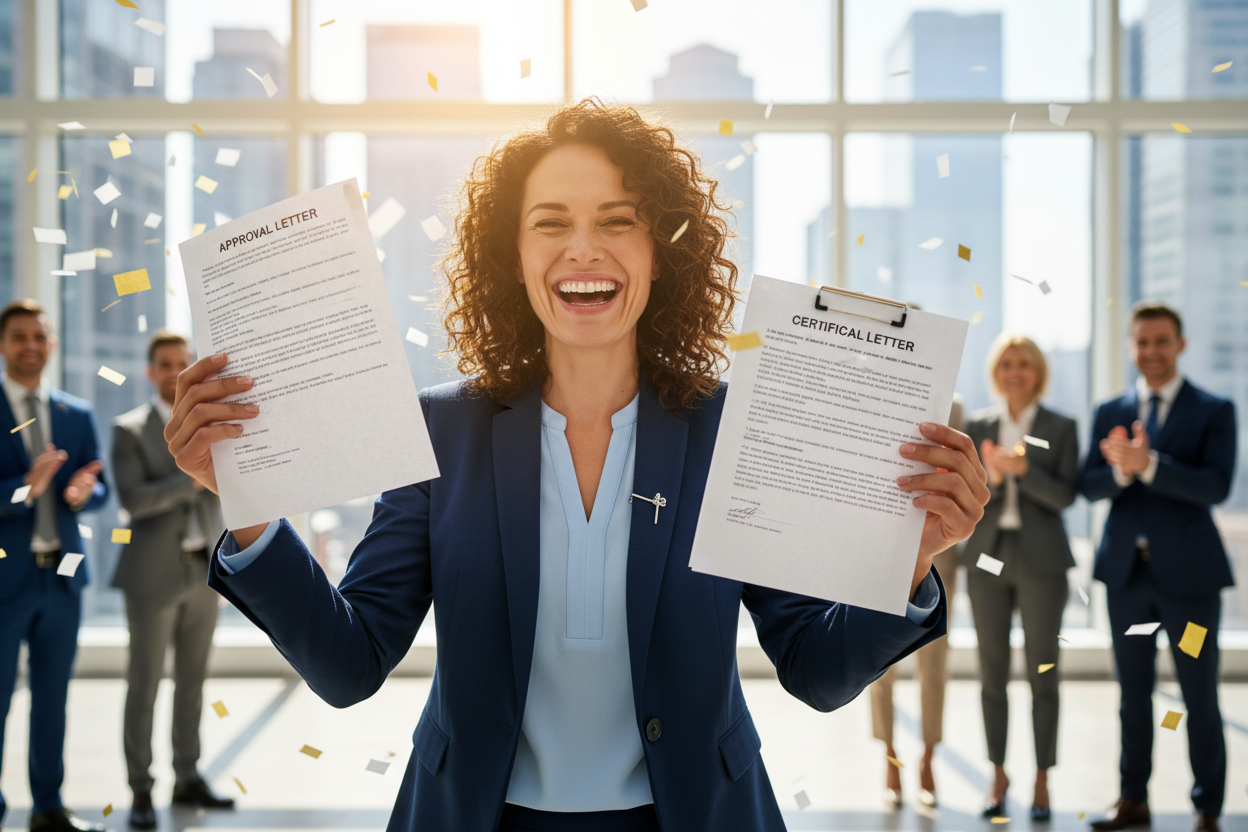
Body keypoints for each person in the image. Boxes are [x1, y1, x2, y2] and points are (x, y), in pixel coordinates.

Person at [163, 100, 989, 832]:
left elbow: (817, 671)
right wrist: (251, 508)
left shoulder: (730, 428)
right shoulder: (441, 430)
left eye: (618, 219)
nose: (582, 249)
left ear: (663, 250)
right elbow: (349, 666)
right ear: (511, 255)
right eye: (550, 222)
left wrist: (909, 560)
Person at [1082, 302, 1236, 832]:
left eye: (1161, 341)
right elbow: (1089, 483)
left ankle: (1208, 807)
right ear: (1131, 347)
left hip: (1190, 585)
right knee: (1132, 695)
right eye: (1142, 342)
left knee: (1198, 693)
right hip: (1127, 581)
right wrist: (1122, 475)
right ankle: (1132, 799)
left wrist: (1149, 465)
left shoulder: (1215, 409)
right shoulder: (1110, 410)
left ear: (1181, 344)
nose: (1151, 351)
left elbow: (1215, 486)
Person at [111, 331, 232, 830]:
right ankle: (141, 790)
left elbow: (225, 491)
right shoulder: (130, 429)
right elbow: (134, 501)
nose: (174, 372)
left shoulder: (209, 425)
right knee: (144, 687)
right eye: (165, 364)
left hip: (203, 572)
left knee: (193, 682)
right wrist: (191, 475)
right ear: (151, 371)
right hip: (150, 578)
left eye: (182, 363)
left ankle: (188, 776)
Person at [0, 299, 108, 832]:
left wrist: (85, 492)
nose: (30, 346)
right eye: (20, 336)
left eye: (39, 336)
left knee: (53, 700)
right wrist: (24, 489)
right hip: (4, 582)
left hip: (64, 578)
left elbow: (99, 484)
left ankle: (48, 808)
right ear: (3, 344)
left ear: (52, 344)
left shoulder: (77, 413)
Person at [963, 333, 1079, 822]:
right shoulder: (980, 424)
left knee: (1043, 673)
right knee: (991, 673)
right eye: (1007, 363)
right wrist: (990, 475)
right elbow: (968, 494)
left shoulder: (1060, 426)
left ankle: (1042, 779)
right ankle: (998, 774)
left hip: (1042, 562)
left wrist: (1024, 471)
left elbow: (1067, 496)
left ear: (1038, 372)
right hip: (988, 559)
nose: (1015, 371)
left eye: (1024, 364)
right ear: (996, 370)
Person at [869, 394, 964, 810]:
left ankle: (928, 757)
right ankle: (890, 757)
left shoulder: (955, 408)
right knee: (879, 664)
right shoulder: (870, 395)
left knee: (934, 664)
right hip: (880, 545)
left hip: (940, 550)